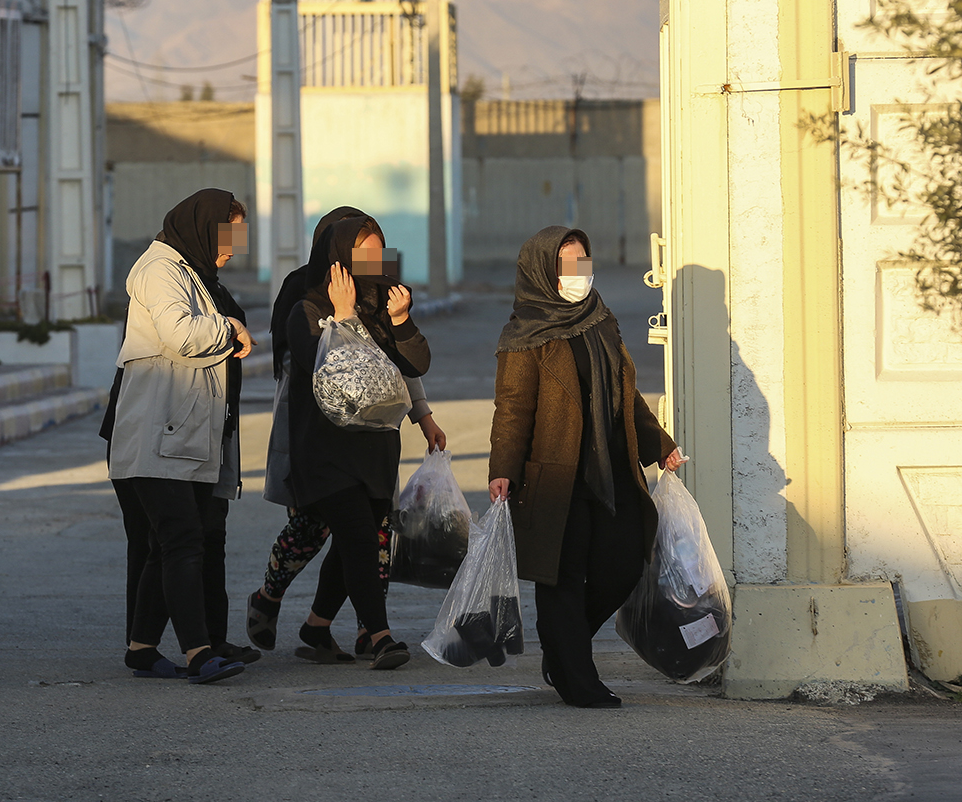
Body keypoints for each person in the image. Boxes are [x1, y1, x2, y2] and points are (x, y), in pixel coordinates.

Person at [488, 226, 684, 707]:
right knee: (562, 577)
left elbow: (625, 393)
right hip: (556, 475)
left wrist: (659, 443)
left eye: (584, 262)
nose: (579, 274)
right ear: (543, 272)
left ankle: (561, 647)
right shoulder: (525, 333)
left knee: (622, 565)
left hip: (610, 467)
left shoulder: (601, 318)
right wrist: (503, 469)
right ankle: (576, 678)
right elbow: (513, 408)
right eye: (568, 265)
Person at [246, 207, 447, 663]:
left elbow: (412, 365)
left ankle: (318, 627)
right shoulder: (307, 306)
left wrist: (401, 323)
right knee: (349, 533)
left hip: (374, 448)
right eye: (363, 259)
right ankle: (377, 635)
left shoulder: (381, 307)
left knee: (363, 534)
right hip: (324, 449)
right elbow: (331, 375)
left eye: (379, 258)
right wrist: (344, 317)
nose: (373, 270)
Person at [106, 189, 256, 684]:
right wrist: (230, 325)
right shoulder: (159, 269)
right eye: (227, 235)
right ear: (202, 226)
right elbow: (182, 334)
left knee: (164, 545)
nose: (233, 248)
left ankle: (141, 649)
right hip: (156, 433)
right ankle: (198, 652)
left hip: (182, 434)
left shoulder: (191, 272)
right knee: (182, 540)